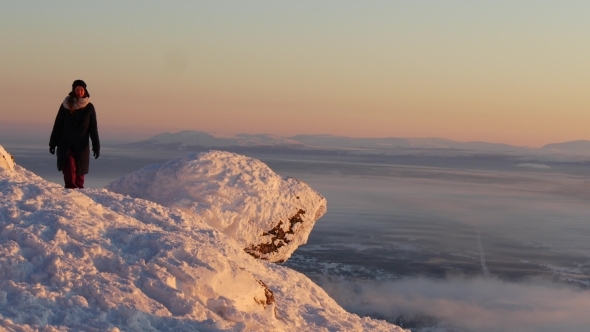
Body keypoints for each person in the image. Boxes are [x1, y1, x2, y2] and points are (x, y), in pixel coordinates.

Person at [49, 80, 100, 189]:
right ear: (73, 91)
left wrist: (96, 146)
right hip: (65, 143)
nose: (79, 92)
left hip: (82, 145)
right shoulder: (65, 105)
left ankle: (80, 194)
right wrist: (52, 143)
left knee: (80, 170)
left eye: (81, 90)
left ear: (85, 91)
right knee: (69, 167)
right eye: (77, 90)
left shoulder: (90, 108)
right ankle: (70, 191)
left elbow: (93, 128)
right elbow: (58, 124)